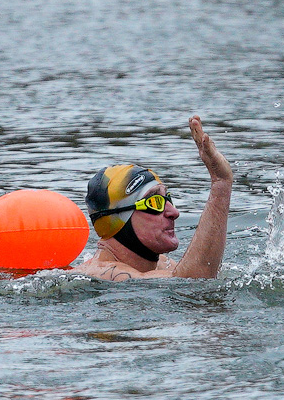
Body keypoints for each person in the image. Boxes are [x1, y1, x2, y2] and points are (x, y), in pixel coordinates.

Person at [72, 116, 232, 281]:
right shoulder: (103, 274)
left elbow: (198, 273)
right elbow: (196, 281)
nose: (174, 212)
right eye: (154, 202)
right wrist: (221, 183)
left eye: (168, 198)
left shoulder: (162, 265)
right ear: (118, 220)